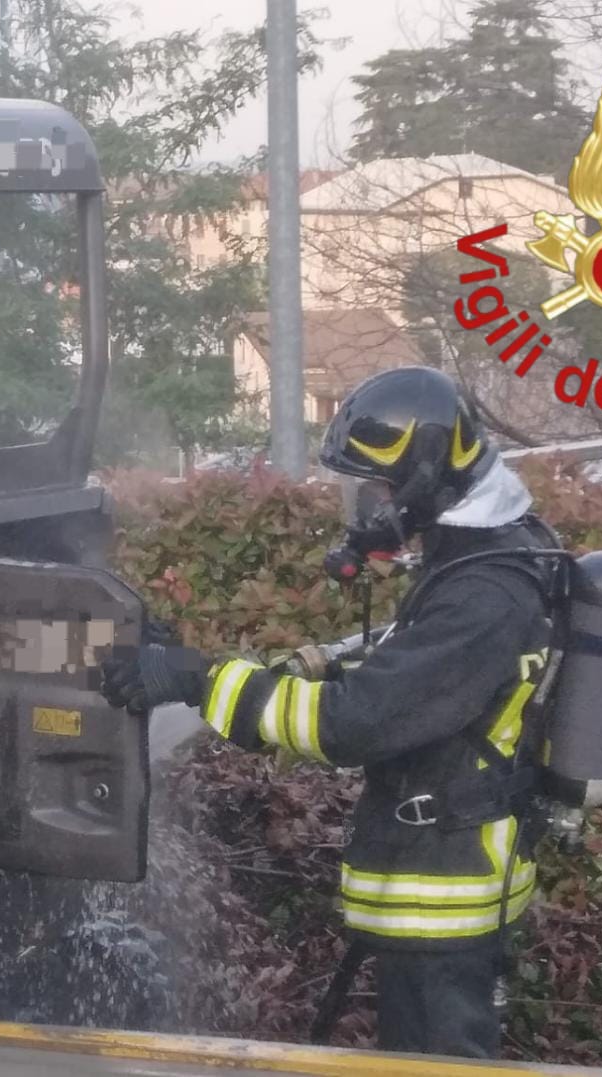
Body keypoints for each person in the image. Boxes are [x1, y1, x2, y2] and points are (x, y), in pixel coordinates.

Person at [102, 366, 557, 1058]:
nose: (367, 505)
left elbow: (354, 721)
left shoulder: (484, 593)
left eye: (375, 487)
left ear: (424, 479)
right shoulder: (474, 557)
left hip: (446, 887)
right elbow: (406, 685)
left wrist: (199, 681)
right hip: (435, 869)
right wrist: (208, 669)